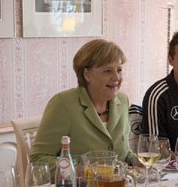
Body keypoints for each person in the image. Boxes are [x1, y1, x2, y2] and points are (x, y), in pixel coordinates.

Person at [30, 39, 133, 169]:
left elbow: (123, 153)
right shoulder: (63, 104)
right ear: (87, 74)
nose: (116, 78)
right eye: (107, 71)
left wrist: (136, 160)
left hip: (117, 186)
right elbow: (38, 160)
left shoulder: (123, 101)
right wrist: (79, 171)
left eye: (119, 70)